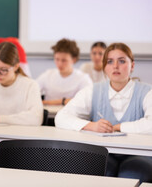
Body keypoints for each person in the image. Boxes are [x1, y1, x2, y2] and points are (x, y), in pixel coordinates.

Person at [55, 43, 152, 183]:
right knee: (100, 174)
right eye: (110, 61)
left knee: (130, 176)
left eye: (122, 61)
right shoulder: (93, 90)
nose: (115, 66)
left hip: (139, 156)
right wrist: (91, 125)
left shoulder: (147, 92)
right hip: (104, 154)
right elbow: (61, 117)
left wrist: (118, 127)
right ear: (104, 67)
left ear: (132, 66)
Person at [36, 38, 92, 105]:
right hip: (48, 113)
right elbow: (32, 92)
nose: (59, 64)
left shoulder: (83, 78)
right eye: (57, 59)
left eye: (64, 60)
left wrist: (49, 102)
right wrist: (64, 101)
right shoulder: (48, 75)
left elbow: (87, 100)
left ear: (73, 59)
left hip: (72, 114)